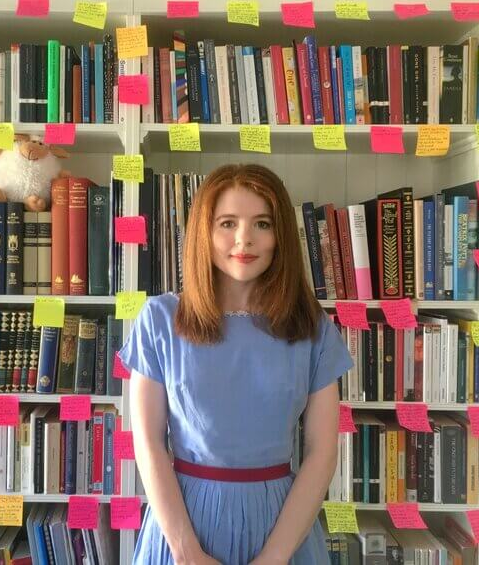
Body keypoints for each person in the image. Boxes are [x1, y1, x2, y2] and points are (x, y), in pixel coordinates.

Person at [118, 163, 353, 565]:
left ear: (281, 235)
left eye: (262, 223)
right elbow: (149, 445)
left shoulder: (311, 327)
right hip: (183, 526)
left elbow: (322, 453)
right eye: (227, 223)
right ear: (204, 233)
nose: (244, 239)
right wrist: (187, 551)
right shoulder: (159, 320)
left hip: (280, 525)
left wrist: (275, 556)